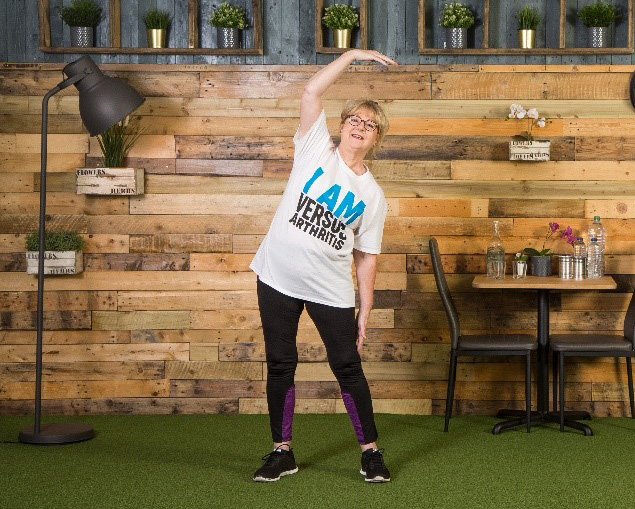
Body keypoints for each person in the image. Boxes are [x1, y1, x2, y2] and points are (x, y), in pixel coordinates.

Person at [249, 49, 397, 483]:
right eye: (354, 118)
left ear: (376, 139)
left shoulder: (373, 196)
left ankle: (370, 453)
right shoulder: (315, 147)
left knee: (347, 367)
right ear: (343, 123)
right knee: (280, 363)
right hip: (276, 278)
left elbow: (366, 255)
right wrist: (352, 54)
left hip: (329, 289)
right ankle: (282, 452)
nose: (359, 126)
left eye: (369, 124)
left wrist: (365, 307)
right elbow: (311, 91)